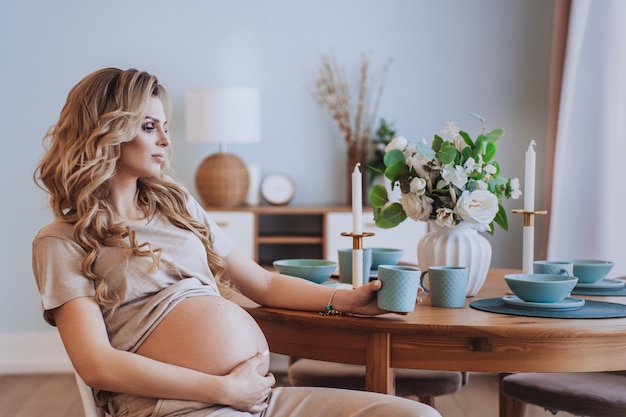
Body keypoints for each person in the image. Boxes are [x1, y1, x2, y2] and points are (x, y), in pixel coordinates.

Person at [32, 67, 440, 417]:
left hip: (256, 401)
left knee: (417, 414)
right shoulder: (62, 241)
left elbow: (262, 284)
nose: (165, 141)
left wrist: (344, 299)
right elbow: (97, 366)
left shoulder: (176, 204)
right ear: (106, 131)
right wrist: (223, 390)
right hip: (177, 407)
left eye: (165, 127)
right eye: (148, 126)